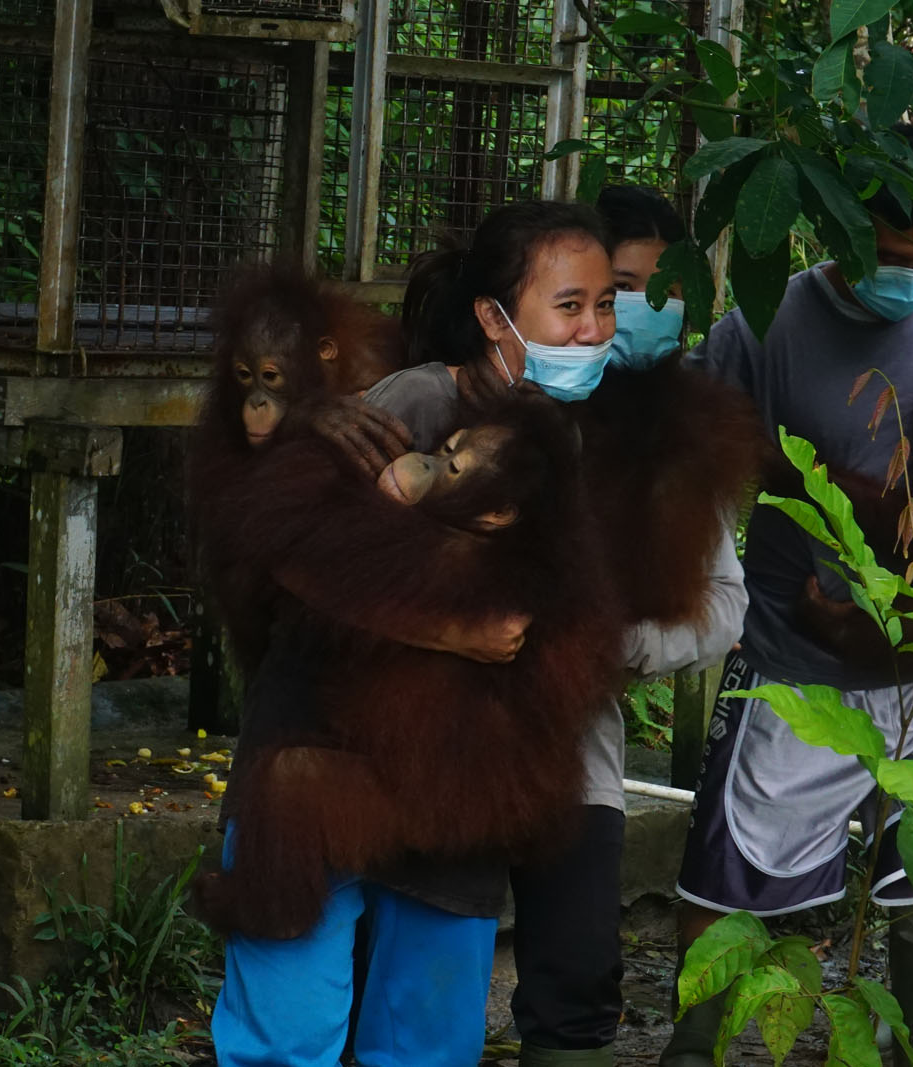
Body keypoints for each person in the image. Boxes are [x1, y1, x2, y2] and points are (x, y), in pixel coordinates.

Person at [661, 127, 913, 1067]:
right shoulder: (763, 326)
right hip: (797, 664)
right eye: (886, 259)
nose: (909, 275)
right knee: (731, 893)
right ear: (833, 230)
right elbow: (692, 469)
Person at [207, 201, 623, 1067]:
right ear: (494, 317)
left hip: (456, 790)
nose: (591, 330)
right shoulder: (410, 402)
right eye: (569, 306)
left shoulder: (577, 442)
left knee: (425, 1041)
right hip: (320, 759)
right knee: (287, 1031)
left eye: (605, 305)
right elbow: (273, 554)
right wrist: (449, 629)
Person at [375, 191, 752, 1067]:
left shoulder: (663, 434)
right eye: (602, 292)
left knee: (577, 981)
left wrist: (602, 637)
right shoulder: (434, 400)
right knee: (415, 982)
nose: (609, 323)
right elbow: (330, 548)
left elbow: (723, 600)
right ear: (514, 308)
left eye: (626, 302)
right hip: (431, 739)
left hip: (574, 751)